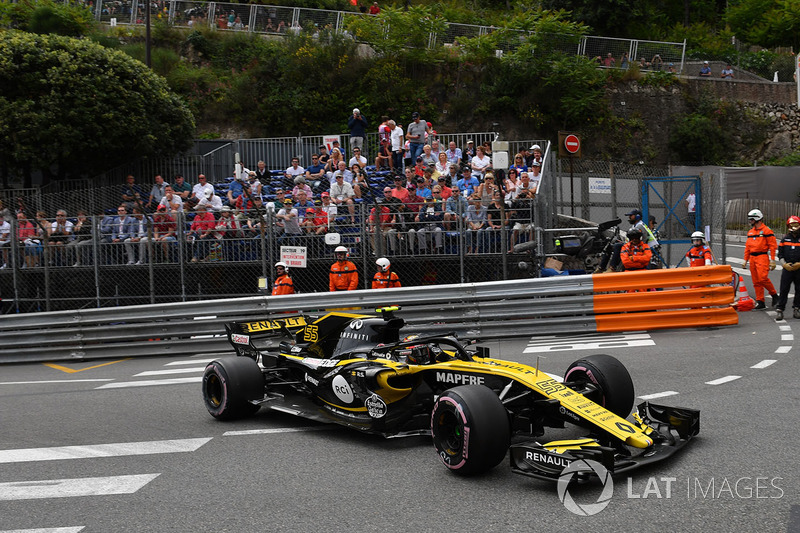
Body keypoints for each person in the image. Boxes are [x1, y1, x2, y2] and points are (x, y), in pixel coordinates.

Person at [743, 208, 778, 309]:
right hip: (753, 258)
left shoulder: (767, 231)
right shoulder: (750, 232)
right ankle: (760, 301)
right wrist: (745, 260)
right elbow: (747, 248)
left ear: (757, 219)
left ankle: (774, 295)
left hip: (762, 257)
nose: (750, 221)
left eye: (751, 219)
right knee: (756, 281)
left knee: (762, 278)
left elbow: (772, 246)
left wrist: (772, 260)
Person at [775, 216, 800, 321]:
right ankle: (780, 310)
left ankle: (797, 309)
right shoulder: (784, 239)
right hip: (787, 269)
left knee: (799, 290)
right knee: (784, 289)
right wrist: (784, 264)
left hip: (799, 269)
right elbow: (780, 254)